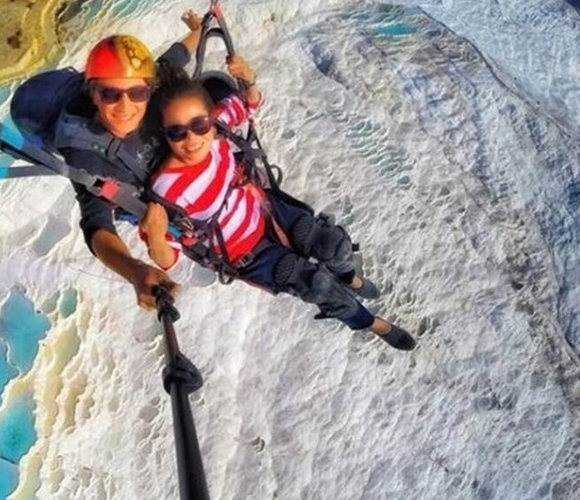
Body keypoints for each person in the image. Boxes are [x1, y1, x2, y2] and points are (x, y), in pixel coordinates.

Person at [138, 59, 416, 350]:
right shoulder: (165, 189)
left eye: (198, 124)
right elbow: (168, 258)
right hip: (244, 252)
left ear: (210, 118)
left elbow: (249, 102)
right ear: (165, 134)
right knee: (316, 284)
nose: (191, 138)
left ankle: (350, 278)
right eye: (176, 132)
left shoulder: (218, 129)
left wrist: (249, 77)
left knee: (333, 245)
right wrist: (156, 235)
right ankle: (371, 323)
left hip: (266, 210)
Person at [55, 12, 204, 310]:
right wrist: (133, 270)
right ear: (92, 93)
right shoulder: (85, 153)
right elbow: (96, 224)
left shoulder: (157, 88)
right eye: (110, 93)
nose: (126, 106)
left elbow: (176, 57)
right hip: (153, 206)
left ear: (149, 89)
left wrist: (199, 30)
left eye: (137, 92)